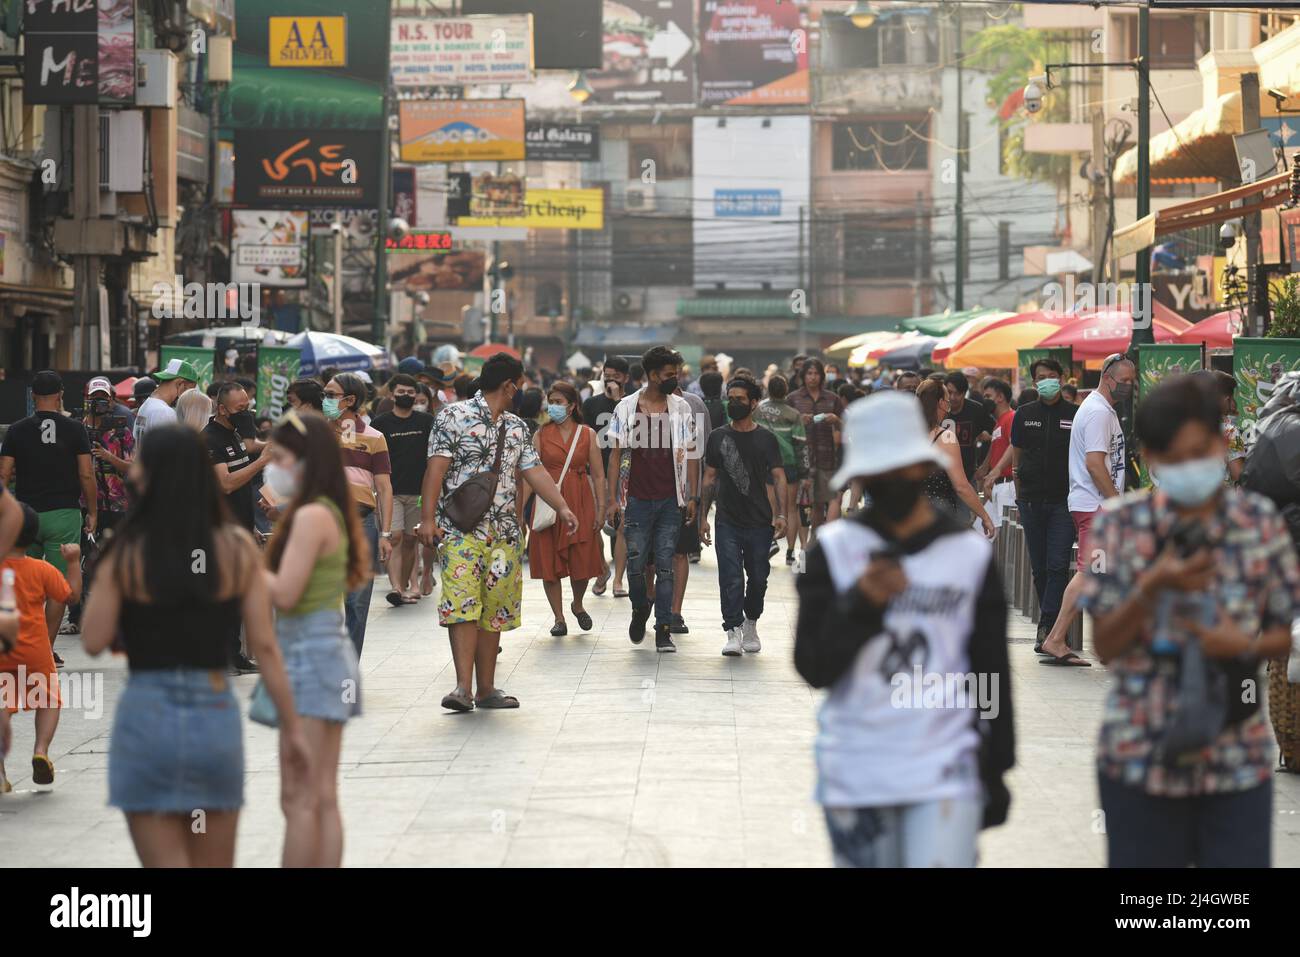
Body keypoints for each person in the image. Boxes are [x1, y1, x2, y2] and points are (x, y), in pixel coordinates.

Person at [1080, 375, 1298, 866]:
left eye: (1199, 453)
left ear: (1221, 444)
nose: (1188, 470)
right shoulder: (1119, 526)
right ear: (1150, 458)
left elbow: (1285, 629)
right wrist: (1152, 587)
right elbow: (1106, 648)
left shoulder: (1258, 523)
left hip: (1234, 762)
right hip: (1139, 756)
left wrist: (1241, 643)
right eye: (1171, 460)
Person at [793, 390, 1014, 867]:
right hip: (857, 767)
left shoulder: (967, 555)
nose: (892, 480)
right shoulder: (833, 551)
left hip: (945, 768)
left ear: (921, 467)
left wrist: (997, 766)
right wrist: (862, 603)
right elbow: (813, 666)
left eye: (901, 468)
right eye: (879, 472)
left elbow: (989, 666)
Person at [79, 424, 307, 867]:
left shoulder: (127, 549)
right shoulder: (235, 546)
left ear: (149, 474)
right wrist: (293, 729)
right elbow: (265, 645)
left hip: (146, 716)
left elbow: (92, 639)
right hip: (211, 714)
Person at [419, 353, 577, 711]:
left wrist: (562, 506)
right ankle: (462, 687)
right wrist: (428, 520)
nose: (519, 391)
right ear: (509, 385)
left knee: (493, 609)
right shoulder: (453, 417)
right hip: (461, 530)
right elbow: (435, 471)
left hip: (505, 533)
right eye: (518, 385)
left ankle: (486, 689)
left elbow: (534, 473)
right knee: (462, 604)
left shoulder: (518, 428)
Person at [262, 411, 368, 867]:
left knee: (300, 797)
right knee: (318, 794)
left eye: (279, 457)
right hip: (321, 656)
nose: (272, 466)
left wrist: (241, 564)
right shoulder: (327, 510)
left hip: (309, 659)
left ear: (303, 461)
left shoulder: (309, 516)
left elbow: (284, 591)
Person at [1040, 353, 1135, 665]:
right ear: (1106, 378)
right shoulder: (1097, 413)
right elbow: (1095, 464)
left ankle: (1109, 641)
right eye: (1123, 382)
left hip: (1094, 503)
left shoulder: (1100, 410)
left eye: (1132, 382)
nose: (1128, 387)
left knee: (1100, 573)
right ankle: (1056, 638)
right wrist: (1115, 504)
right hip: (1096, 505)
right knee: (1090, 573)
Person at [604, 347, 700, 652]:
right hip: (635, 500)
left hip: (672, 499)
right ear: (653, 375)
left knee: (666, 564)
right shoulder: (626, 408)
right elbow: (615, 454)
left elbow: (693, 454)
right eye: (670, 374)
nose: (676, 378)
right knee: (635, 565)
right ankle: (639, 608)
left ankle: (663, 629)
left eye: (677, 373)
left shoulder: (682, 408)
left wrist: (693, 495)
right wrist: (611, 500)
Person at [701, 378, 786, 656]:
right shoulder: (717, 437)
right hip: (727, 519)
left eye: (739, 399)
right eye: (730, 397)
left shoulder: (766, 439)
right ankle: (732, 629)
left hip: (760, 520)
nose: (733, 403)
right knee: (730, 575)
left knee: (759, 577)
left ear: (753, 403)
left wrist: (782, 514)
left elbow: (778, 476)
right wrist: (703, 517)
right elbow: (709, 478)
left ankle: (751, 622)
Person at [0, 504, 81, 791]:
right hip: (35, 651)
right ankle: (41, 751)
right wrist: (72, 563)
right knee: (48, 701)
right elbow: (70, 596)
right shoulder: (41, 569)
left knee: (4, 705)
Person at [1006, 359, 1078, 654]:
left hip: (1063, 501)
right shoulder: (1024, 414)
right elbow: (1016, 459)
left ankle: (1048, 626)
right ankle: (1053, 627)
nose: (1047, 381)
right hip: (1031, 501)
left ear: (1062, 379)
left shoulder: (1076, 414)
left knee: (1058, 565)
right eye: (1041, 378)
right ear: (1034, 383)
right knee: (1040, 569)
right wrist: (1020, 497)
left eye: (1052, 376)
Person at [0, 371, 96, 591]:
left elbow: (3, 474)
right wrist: (93, 512)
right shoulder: (75, 428)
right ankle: (49, 628)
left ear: (33, 395)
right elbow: (86, 474)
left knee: (23, 581)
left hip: (26, 513)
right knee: (60, 584)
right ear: (60, 394)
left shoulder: (16, 430)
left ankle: (28, 623)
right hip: (64, 514)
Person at [203, 381, 272, 673]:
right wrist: (262, 462)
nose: (246, 413)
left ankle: (234, 654)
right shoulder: (209, 439)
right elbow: (226, 483)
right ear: (221, 409)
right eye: (240, 409)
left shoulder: (233, 434)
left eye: (248, 406)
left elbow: (250, 448)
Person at [323, 373, 393, 657]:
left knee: (356, 603)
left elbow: (384, 488)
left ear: (350, 400)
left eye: (330, 394)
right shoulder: (317, 432)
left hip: (362, 523)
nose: (324, 399)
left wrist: (386, 534)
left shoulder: (375, 437)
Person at [528, 382, 606, 636]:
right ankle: (558, 617)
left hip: (580, 499)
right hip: (547, 503)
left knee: (582, 558)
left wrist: (601, 507)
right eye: (551, 401)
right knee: (549, 562)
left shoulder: (587, 434)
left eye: (559, 402)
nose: (553, 406)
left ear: (572, 406)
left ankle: (578, 603)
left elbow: (598, 474)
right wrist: (520, 511)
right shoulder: (540, 434)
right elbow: (529, 473)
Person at [70, 377, 135, 634]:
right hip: (85, 504)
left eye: (104, 397)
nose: (99, 402)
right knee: (83, 561)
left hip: (118, 505)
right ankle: (77, 616)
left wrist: (108, 457)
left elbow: (133, 467)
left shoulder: (121, 431)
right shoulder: (77, 429)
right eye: (95, 397)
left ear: (111, 400)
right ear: (88, 400)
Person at [371, 373, 435, 607]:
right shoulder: (381, 423)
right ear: (391, 394)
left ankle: (406, 585)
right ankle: (396, 587)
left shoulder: (426, 421)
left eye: (410, 392)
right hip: (391, 491)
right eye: (401, 392)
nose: (406, 396)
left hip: (419, 492)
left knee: (410, 539)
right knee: (395, 537)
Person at [915, 380, 995, 539]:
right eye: (947, 402)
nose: (948, 407)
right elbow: (961, 486)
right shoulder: (945, 437)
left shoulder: (902, 434)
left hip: (905, 518)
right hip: (937, 518)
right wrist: (984, 516)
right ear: (940, 403)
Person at [582, 355, 629, 597]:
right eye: (607, 376)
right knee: (593, 523)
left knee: (623, 526)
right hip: (595, 472)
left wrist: (619, 401)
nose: (610, 380)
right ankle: (602, 569)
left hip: (625, 471)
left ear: (626, 378)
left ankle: (618, 579)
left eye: (616, 376)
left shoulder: (632, 403)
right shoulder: (591, 405)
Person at [755, 374, 810, 565]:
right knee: (791, 509)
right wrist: (805, 473)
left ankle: (769, 543)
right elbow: (801, 445)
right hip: (789, 465)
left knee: (770, 507)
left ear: (768, 389)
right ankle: (790, 552)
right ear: (786, 391)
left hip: (766, 464)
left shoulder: (759, 409)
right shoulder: (793, 414)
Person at [788, 358, 844, 531]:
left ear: (822, 376)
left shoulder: (832, 398)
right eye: (809, 373)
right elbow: (784, 431)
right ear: (803, 376)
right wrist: (799, 423)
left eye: (816, 374)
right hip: (801, 460)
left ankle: (816, 542)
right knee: (800, 505)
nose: (812, 377)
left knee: (820, 503)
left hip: (826, 459)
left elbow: (846, 427)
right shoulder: (793, 399)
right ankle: (801, 546)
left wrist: (836, 421)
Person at [941, 371, 995, 498]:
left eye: (957, 393)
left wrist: (985, 465)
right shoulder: (937, 409)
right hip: (940, 477)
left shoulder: (976, 410)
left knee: (964, 517)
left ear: (965, 393)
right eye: (949, 392)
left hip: (966, 477)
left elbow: (998, 436)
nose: (953, 397)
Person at [976, 378, 1017, 528]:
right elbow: (995, 450)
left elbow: (1015, 445)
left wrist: (995, 471)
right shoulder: (998, 423)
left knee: (1004, 535)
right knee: (982, 530)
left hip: (1007, 484)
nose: (985, 400)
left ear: (1000, 397)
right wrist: (983, 470)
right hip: (997, 485)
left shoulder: (1011, 417)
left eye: (988, 396)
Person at [133, 358, 199, 449]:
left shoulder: (147, 404)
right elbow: (168, 456)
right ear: (181, 384)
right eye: (189, 390)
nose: (188, 396)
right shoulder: (164, 412)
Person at [1200, 369, 1245, 483]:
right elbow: (1238, 474)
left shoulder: (1187, 426)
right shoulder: (1229, 431)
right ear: (1227, 399)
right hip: (1217, 498)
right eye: (1233, 398)